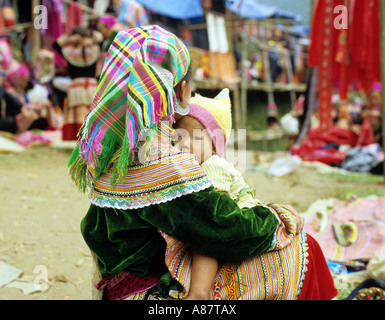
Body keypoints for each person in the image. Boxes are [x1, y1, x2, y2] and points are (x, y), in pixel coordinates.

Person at [68, 25, 320, 300]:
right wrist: (275, 218)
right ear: (182, 89)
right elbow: (222, 228)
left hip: (116, 283)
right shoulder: (163, 158)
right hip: (149, 290)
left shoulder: (107, 141)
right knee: (302, 247)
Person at [170, 89, 337, 300]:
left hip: (237, 220)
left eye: (195, 137)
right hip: (234, 218)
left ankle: (199, 293)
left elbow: (212, 214)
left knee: (205, 237)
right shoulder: (191, 166)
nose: (184, 144)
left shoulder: (212, 166)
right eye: (178, 136)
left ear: (214, 147)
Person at [53, 26, 103, 140]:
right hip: (91, 86)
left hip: (76, 87)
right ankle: (93, 137)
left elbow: (56, 44)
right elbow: (101, 39)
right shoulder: (95, 48)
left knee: (77, 112)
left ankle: (77, 138)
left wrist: (70, 39)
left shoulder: (70, 52)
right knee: (92, 110)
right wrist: (90, 39)